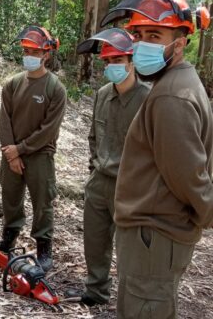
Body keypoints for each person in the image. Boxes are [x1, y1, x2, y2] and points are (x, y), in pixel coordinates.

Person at [100, 0, 212, 318]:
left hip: (154, 233)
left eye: (155, 34)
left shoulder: (170, 97)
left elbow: (188, 175)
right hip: (156, 233)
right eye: (138, 34)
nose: (142, 43)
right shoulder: (179, 83)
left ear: (180, 41)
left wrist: (206, 214)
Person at [65, 29, 150, 306]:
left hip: (131, 186)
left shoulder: (148, 100)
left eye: (117, 60)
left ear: (131, 61)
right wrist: (93, 167)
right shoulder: (102, 94)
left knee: (131, 249)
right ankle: (97, 291)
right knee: (95, 241)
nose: (112, 66)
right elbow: (93, 136)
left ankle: (132, 301)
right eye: (108, 61)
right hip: (99, 181)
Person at [0, 26, 67, 272]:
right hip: (11, 151)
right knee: (10, 197)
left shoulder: (55, 88)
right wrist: (10, 153)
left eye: (34, 51)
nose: (29, 55)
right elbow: (4, 120)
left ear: (46, 54)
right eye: (25, 50)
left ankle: (44, 248)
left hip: (40, 154)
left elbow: (48, 130)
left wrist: (20, 150)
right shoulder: (12, 84)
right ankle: (8, 238)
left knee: (43, 202)